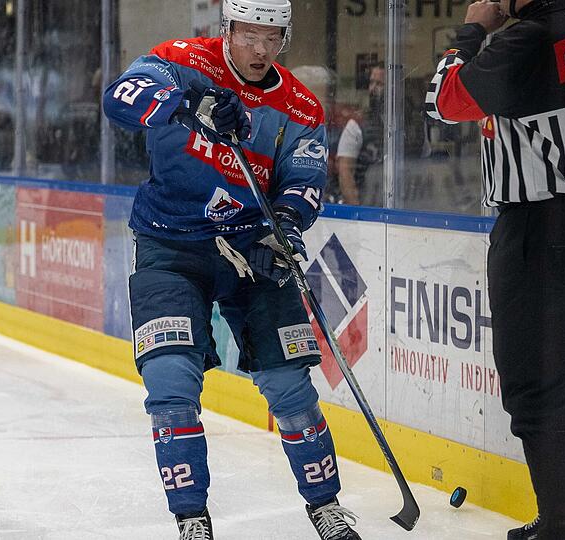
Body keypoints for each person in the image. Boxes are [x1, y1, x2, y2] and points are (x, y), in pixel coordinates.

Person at [103, 1, 361, 539]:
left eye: (274, 38)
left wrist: (285, 227)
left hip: (252, 245)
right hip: (169, 244)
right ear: (228, 29)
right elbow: (119, 98)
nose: (261, 49)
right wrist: (186, 101)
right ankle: (192, 517)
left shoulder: (299, 106)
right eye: (250, 35)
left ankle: (325, 506)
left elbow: (303, 182)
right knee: (170, 381)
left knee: (289, 382)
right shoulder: (180, 60)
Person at [425, 1, 565, 538]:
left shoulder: (523, 39)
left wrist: (471, 31)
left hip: (539, 226)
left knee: (534, 391)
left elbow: (441, 102)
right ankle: (561, 521)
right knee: (553, 385)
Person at [335, 63, 385, 206]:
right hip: (368, 210)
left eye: (380, 83)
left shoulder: (414, 124)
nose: (373, 88)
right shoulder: (357, 123)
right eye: (371, 82)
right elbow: (345, 171)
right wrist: (358, 213)